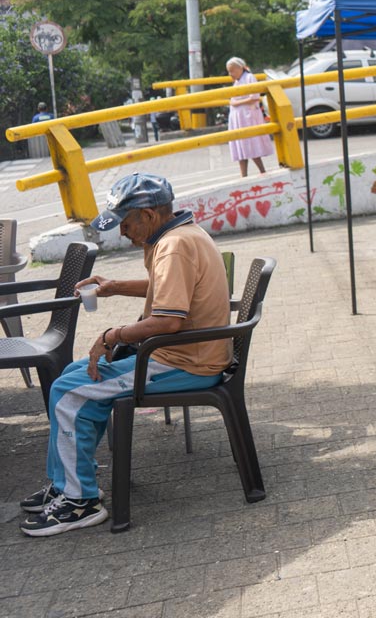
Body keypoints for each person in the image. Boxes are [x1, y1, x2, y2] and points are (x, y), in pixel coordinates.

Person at [18, 173, 232, 536]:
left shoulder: (174, 246)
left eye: (126, 223)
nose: (122, 231)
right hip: (183, 354)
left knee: (69, 392)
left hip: (184, 362)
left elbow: (168, 321)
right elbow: (170, 288)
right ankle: (67, 482)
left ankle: (80, 501)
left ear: (148, 215)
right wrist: (114, 287)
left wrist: (111, 336)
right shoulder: (181, 234)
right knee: (72, 377)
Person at [225, 57, 272, 177]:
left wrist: (237, 103)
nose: (230, 74)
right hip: (238, 117)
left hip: (248, 116)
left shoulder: (249, 78)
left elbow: (254, 97)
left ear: (240, 68)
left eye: (232, 71)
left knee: (251, 143)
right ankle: (244, 175)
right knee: (241, 146)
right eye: (229, 72)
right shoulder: (237, 82)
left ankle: (262, 171)